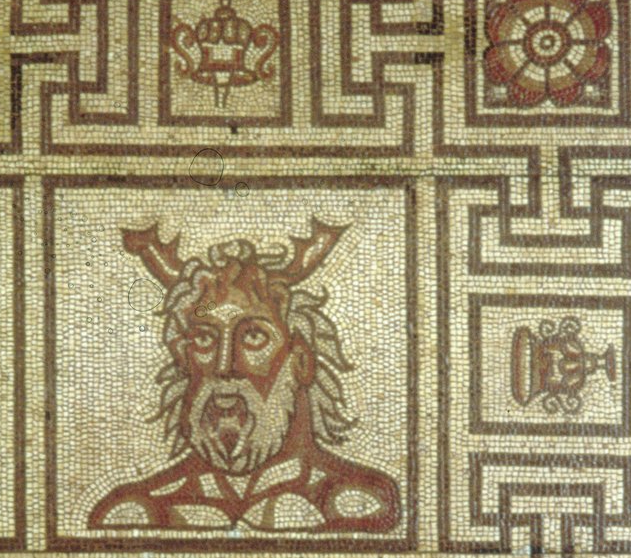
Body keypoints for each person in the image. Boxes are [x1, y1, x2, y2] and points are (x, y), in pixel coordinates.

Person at [89, 219, 401, 533]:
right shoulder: (141, 511)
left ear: (301, 361)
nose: (225, 366)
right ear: (184, 359)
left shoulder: (361, 503)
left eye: (253, 337)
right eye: (204, 339)